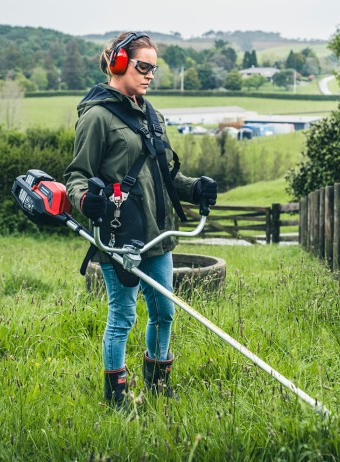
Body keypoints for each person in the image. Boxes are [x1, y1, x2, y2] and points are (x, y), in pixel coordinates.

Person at [64, 32, 217, 408]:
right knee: (122, 316)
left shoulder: (153, 116)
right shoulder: (97, 117)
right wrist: (85, 200)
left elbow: (166, 175)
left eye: (154, 68)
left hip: (158, 234)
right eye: (143, 66)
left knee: (164, 312)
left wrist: (195, 188)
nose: (150, 74)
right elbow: (77, 176)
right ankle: (116, 396)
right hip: (121, 235)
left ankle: (158, 385)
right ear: (118, 64)